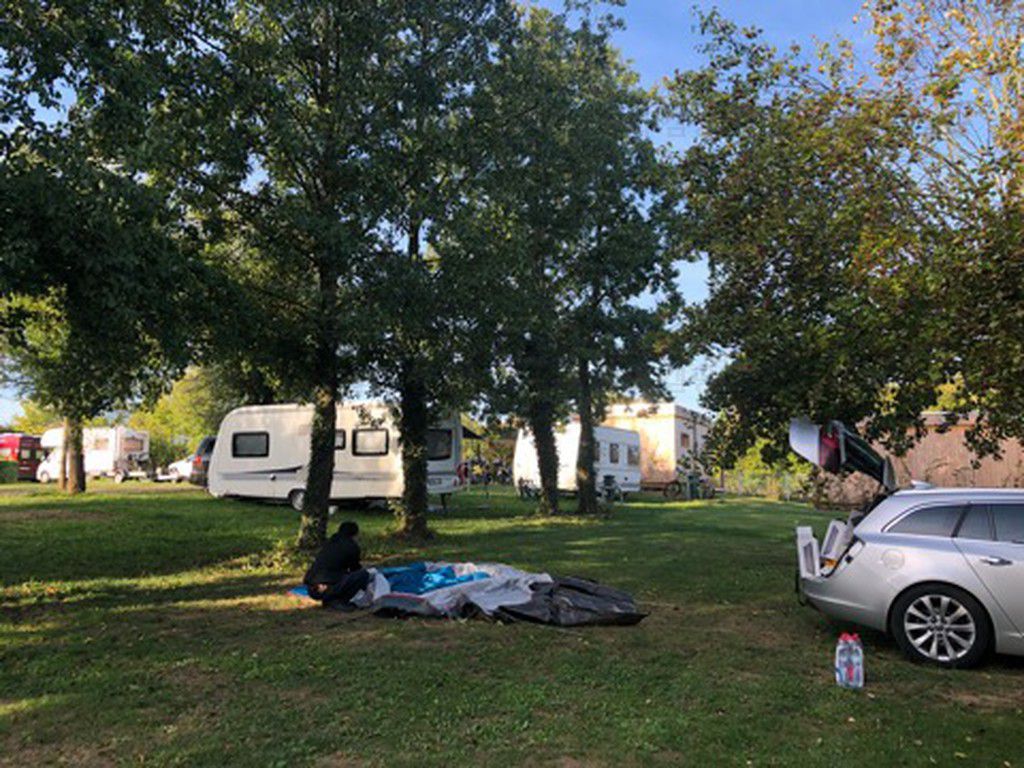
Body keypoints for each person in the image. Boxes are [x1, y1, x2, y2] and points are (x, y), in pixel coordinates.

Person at [303, 521, 369, 610]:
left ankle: (330, 599)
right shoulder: (351, 546)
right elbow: (355, 569)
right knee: (363, 575)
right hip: (329, 587)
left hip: (312, 587)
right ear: (354, 534)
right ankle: (338, 601)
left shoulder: (329, 542)